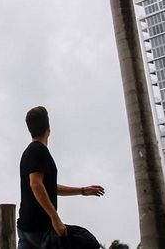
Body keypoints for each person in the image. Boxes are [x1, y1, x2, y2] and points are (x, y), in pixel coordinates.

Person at [18, 106, 105, 249]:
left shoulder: (28, 152)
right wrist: (55, 218)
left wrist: (82, 190)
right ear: (49, 129)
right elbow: (36, 184)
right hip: (40, 228)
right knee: (87, 243)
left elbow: (48, 187)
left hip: (26, 228)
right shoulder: (38, 151)